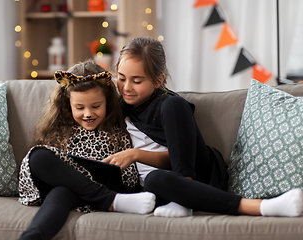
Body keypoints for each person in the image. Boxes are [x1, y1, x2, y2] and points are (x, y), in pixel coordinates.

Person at [102, 37, 303, 218]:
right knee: (153, 181)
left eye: (136, 81)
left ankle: (257, 206)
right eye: (121, 78)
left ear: (158, 80)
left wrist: (136, 154)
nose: (126, 87)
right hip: (157, 188)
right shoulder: (121, 107)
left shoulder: (170, 105)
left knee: (157, 172)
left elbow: (180, 156)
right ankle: (180, 197)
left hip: (198, 176)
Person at [18, 60, 156, 240]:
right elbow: (48, 171)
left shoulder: (121, 129)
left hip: (109, 187)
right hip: (72, 191)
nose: (88, 113)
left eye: (96, 106)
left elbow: (130, 178)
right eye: (79, 108)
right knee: (39, 158)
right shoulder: (59, 131)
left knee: (61, 188)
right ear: (68, 106)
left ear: (108, 102)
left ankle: (110, 199)